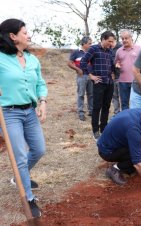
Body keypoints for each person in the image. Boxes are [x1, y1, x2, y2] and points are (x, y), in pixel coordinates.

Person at [0, 18, 48, 218]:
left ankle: (19, 177)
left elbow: (40, 84)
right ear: (13, 36)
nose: (29, 35)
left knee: (39, 149)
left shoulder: (32, 59)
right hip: (9, 113)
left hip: (29, 111)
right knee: (19, 156)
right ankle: (28, 197)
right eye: (25, 32)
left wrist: (42, 101)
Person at [97, 105, 141, 195]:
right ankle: (115, 169)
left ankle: (133, 159)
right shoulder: (133, 128)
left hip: (117, 143)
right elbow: (138, 164)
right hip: (107, 151)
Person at [80, 31, 116, 141]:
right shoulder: (93, 49)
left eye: (112, 41)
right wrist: (90, 75)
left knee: (106, 107)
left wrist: (114, 72)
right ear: (103, 39)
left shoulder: (110, 51)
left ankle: (103, 129)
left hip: (109, 83)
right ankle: (95, 130)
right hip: (99, 83)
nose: (111, 43)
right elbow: (83, 62)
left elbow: (111, 65)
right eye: (109, 41)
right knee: (97, 107)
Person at [67, 36, 93, 121]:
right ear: (84, 44)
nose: (91, 45)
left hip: (90, 76)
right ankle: (81, 112)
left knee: (91, 94)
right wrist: (77, 69)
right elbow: (69, 63)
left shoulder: (91, 52)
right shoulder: (76, 52)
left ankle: (91, 111)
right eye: (89, 43)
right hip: (81, 76)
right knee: (81, 94)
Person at [115, 29, 141, 110]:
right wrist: (117, 64)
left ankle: (135, 121)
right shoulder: (119, 51)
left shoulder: (139, 49)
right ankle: (126, 121)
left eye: (126, 38)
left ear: (131, 38)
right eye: (122, 39)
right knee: (124, 103)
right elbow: (116, 62)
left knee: (136, 103)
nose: (124, 40)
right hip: (123, 81)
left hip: (136, 81)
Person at [111, 39, 122, 115]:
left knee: (123, 97)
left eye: (111, 41)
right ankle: (116, 113)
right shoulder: (108, 49)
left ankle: (124, 113)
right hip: (112, 78)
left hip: (122, 77)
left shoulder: (121, 48)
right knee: (114, 97)